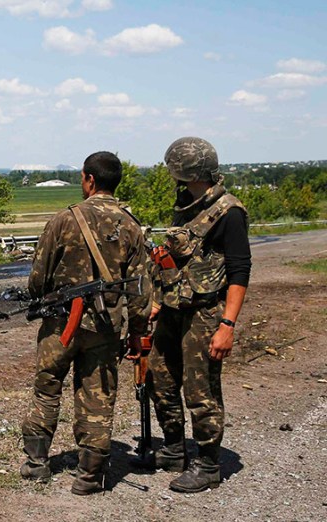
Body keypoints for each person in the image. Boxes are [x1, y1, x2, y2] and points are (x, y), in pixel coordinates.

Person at [20, 151, 152, 495]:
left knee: (47, 388)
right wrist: (138, 333)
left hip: (59, 325)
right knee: (97, 397)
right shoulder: (131, 226)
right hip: (105, 329)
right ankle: (90, 477)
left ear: (89, 179)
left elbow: (37, 279)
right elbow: (140, 290)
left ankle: (36, 464)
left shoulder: (63, 220)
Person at [144, 137, 251, 493]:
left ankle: (207, 463)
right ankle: (173, 448)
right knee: (160, 378)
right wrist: (158, 300)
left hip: (206, 313)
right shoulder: (187, 204)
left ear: (186, 170)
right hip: (174, 309)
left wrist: (227, 325)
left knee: (200, 387)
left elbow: (239, 270)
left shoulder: (229, 212)